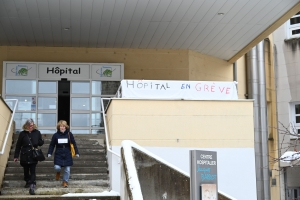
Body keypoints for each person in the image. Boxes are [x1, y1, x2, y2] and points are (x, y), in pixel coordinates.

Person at [13, 118, 44, 195]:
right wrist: (16, 156)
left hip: (33, 155)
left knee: (33, 170)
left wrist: (41, 141)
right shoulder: (22, 134)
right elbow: (18, 146)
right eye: (30, 126)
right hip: (25, 154)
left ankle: (32, 185)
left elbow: (39, 142)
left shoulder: (37, 132)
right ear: (26, 125)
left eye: (32, 125)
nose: (31, 127)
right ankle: (27, 180)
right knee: (26, 170)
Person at [47, 120, 79, 188]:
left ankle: (65, 181)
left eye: (63, 126)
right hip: (58, 153)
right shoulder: (55, 135)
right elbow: (52, 145)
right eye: (61, 126)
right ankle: (58, 172)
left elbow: (74, 144)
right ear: (59, 127)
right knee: (57, 167)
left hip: (67, 153)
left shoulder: (69, 134)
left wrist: (77, 152)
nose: (62, 127)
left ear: (66, 127)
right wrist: (49, 152)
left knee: (67, 169)